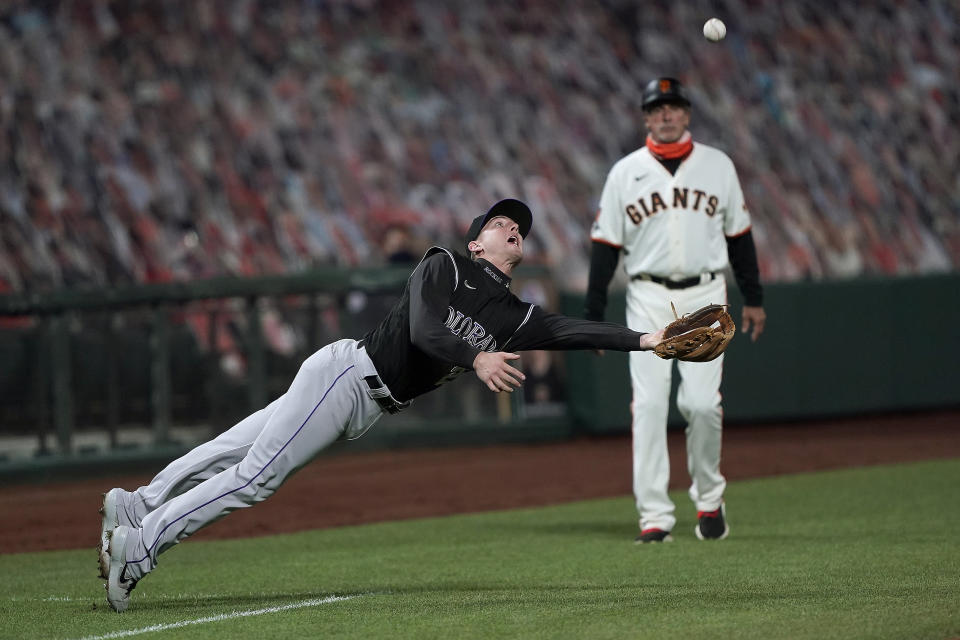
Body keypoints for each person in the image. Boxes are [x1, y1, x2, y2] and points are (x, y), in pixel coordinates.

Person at [98, 198, 671, 612]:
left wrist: (648, 340)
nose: (512, 227)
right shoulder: (445, 263)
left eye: (518, 226)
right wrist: (476, 359)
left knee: (235, 447)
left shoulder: (517, 317)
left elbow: (575, 329)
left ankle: (137, 504)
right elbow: (424, 329)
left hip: (361, 399)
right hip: (347, 374)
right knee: (255, 476)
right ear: (477, 242)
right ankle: (139, 548)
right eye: (500, 222)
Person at [584, 77, 766, 544]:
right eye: (657, 108)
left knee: (702, 404)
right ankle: (655, 516)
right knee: (647, 406)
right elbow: (605, 248)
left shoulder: (717, 166)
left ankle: (709, 499)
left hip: (706, 295)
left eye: (673, 106)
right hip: (646, 296)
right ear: (646, 117)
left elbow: (740, 238)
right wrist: (593, 313)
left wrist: (755, 298)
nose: (666, 114)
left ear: (687, 114)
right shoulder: (625, 172)